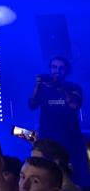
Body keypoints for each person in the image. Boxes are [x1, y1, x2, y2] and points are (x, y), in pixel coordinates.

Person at [28, 56, 89, 186]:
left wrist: (59, 87)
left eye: (61, 68)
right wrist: (38, 85)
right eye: (54, 67)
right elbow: (32, 104)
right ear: (50, 69)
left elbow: (74, 104)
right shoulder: (43, 87)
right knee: (47, 172)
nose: (57, 70)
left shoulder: (74, 87)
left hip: (70, 138)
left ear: (66, 71)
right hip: (48, 138)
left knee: (73, 174)